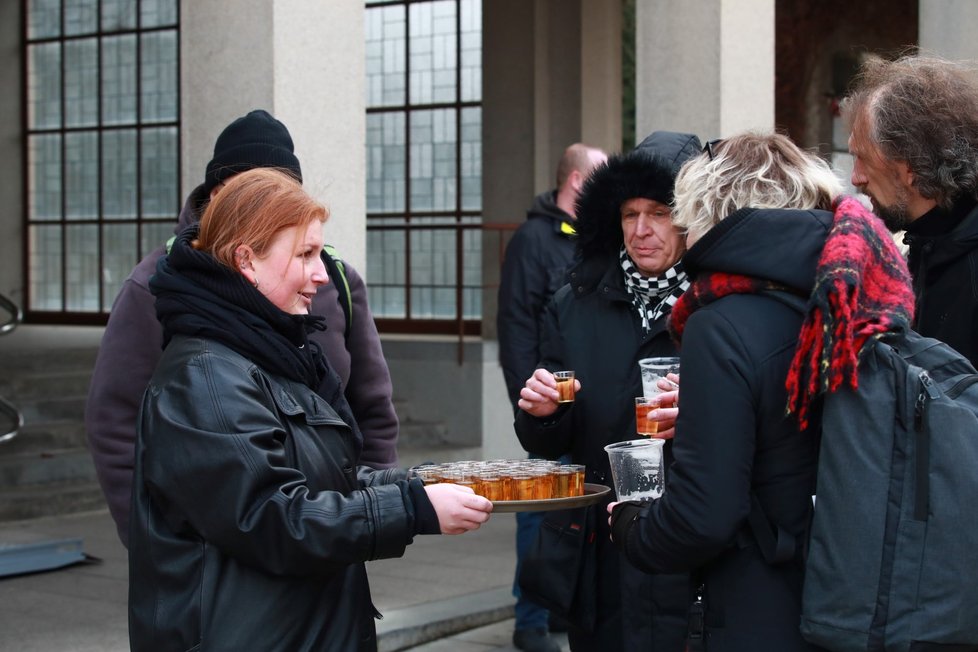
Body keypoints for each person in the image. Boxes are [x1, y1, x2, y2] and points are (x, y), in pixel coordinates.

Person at [128, 168, 493, 651]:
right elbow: (272, 519)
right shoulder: (206, 376)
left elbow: (325, 482)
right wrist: (410, 509)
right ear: (246, 260)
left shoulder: (266, 354)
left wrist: (419, 485)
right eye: (305, 255)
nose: (322, 275)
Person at [607, 132, 913, 651]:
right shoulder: (851, 289)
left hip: (762, 599)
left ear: (711, 208)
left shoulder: (721, 324)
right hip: (859, 584)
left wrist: (634, 526)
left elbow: (704, 517)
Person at [85, 109, 400, 547]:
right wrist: (152, 541)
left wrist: (372, 511)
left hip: (324, 535)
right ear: (216, 196)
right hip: (223, 552)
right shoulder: (159, 283)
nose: (262, 203)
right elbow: (117, 421)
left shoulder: (332, 278)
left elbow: (372, 407)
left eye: (278, 192)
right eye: (247, 191)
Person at [515, 131, 701, 651]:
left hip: (689, 556)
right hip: (599, 555)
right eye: (628, 214)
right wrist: (545, 413)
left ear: (690, 218)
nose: (641, 230)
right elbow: (551, 441)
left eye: (659, 212)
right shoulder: (575, 302)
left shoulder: (720, 305)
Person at [497, 142, 607, 652]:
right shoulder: (533, 240)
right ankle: (531, 620)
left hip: (591, 407)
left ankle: (562, 607)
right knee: (538, 508)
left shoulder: (594, 239)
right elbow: (516, 325)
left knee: (578, 510)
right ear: (579, 182)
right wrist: (530, 401)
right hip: (547, 406)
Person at [842, 54, 978, 367]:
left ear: (911, 166)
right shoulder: (927, 249)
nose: (856, 178)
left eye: (862, 158)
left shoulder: (964, 264)